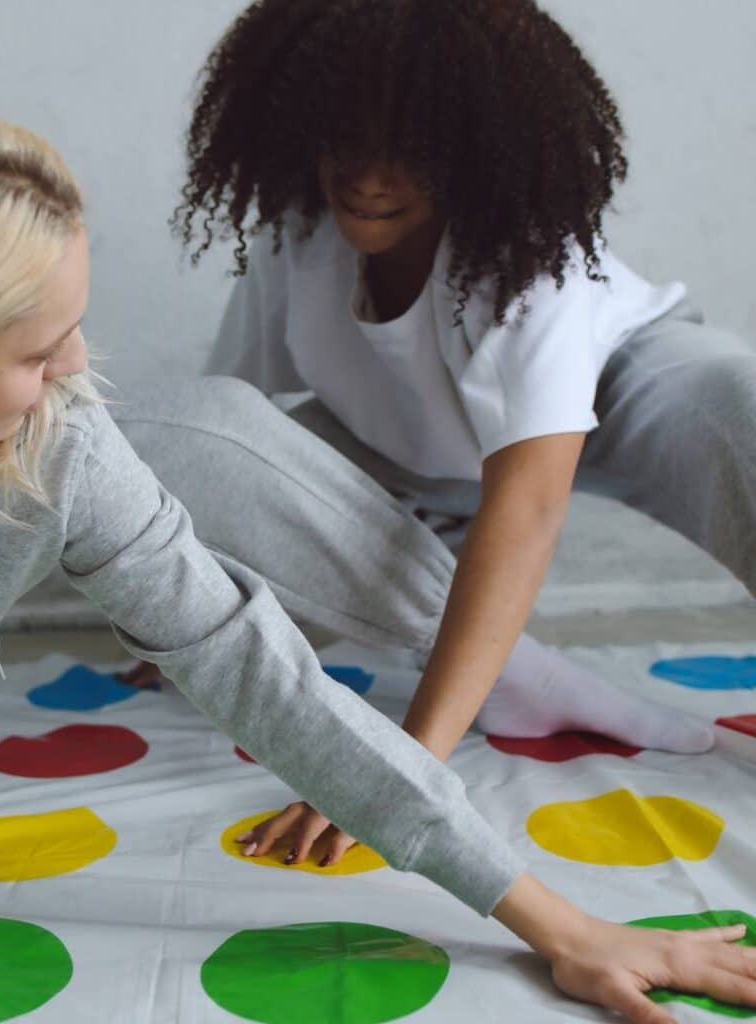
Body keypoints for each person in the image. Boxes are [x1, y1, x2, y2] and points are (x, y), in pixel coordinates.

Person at [0, 96, 753, 1024]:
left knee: (184, 432)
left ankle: (521, 675)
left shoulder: (64, 439)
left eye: (73, 330)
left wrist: (561, 928)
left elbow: (267, 681)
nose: (79, 371)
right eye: (41, 356)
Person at [116, 0, 756, 872]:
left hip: (616, 398)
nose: (372, 175)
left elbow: (526, 507)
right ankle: (519, 673)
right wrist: (176, 606)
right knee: (179, 443)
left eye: (411, 146)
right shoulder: (296, 232)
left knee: (737, 395)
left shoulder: (529, 254)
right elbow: (228, 430)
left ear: (472, 144)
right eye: (348, 136)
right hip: (398, 458)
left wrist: (400, 766)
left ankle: (481, 655)